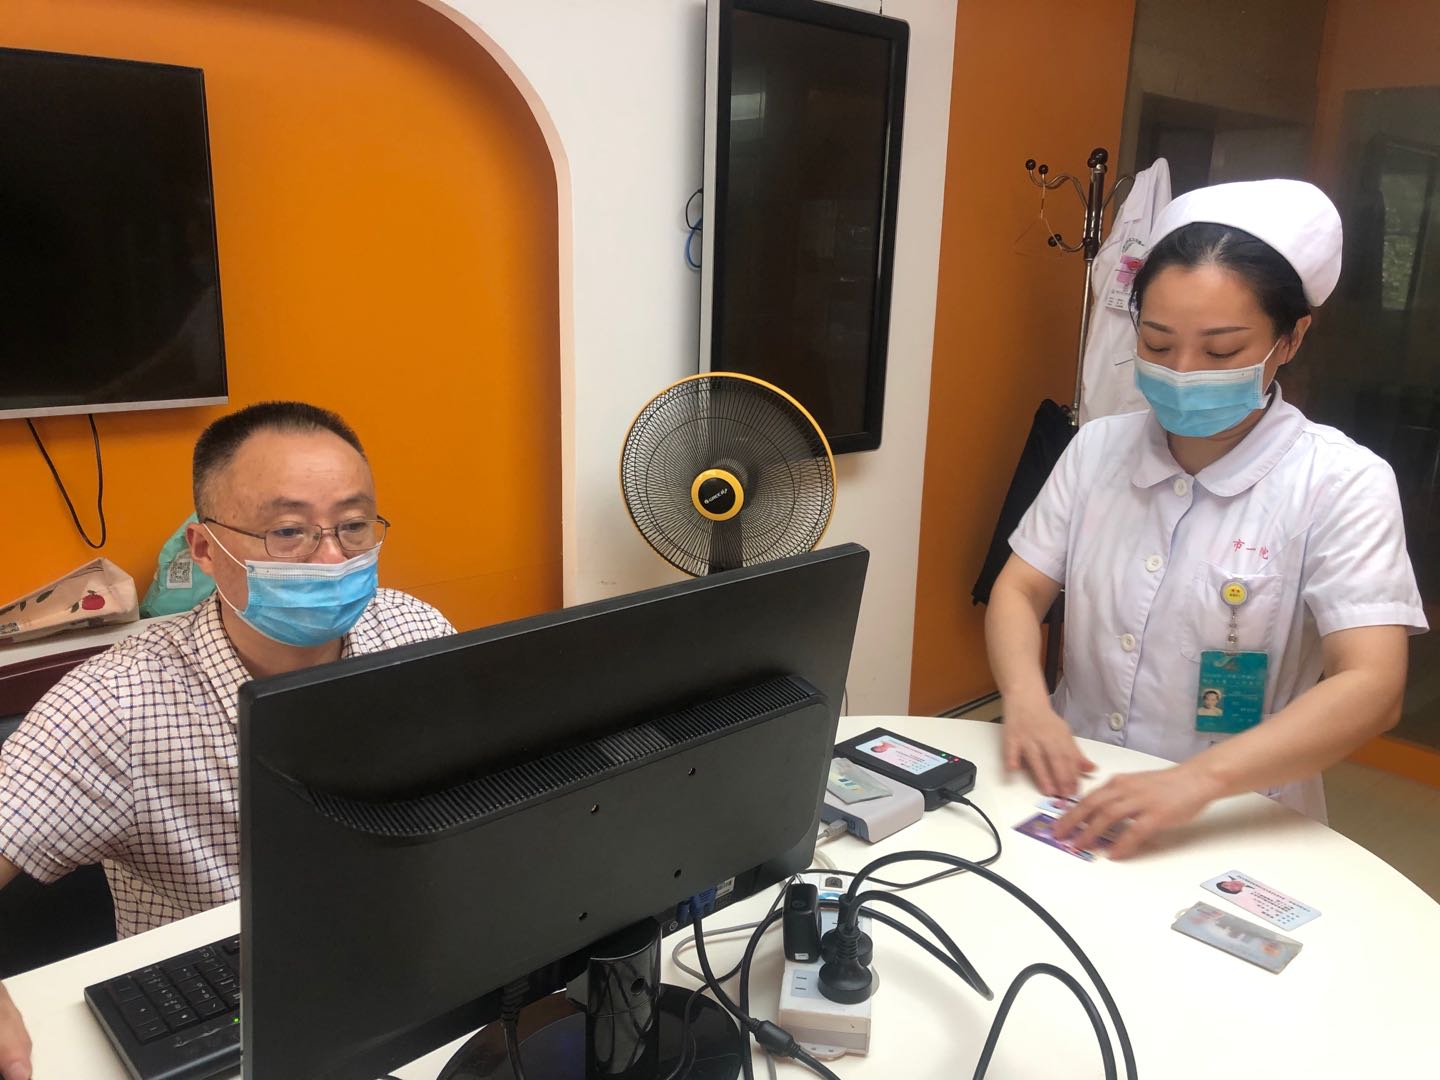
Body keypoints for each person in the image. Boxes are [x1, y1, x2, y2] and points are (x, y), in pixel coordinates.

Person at [0, 402, 456, 1080]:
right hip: (217, 1019)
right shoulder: (120, 700)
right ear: (206, 549)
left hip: (406, 974)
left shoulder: (412, 631)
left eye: (354, 526)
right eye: (289, 531)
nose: (333, 557)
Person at [985, 179, 1426, 863]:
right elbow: (1020, 588)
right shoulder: (1097, 448)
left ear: (1291, 339)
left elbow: (1371, 684)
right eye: (1158, 344)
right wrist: (1026, 699)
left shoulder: (1341, 482)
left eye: (1220, 352)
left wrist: (1197, 782)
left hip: (1238, 815)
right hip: (1073, 788)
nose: (1183, 371)